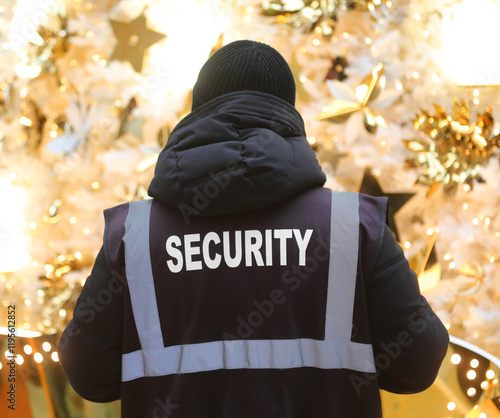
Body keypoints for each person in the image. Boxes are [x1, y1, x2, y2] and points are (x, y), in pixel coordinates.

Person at [58, 40, 449, 417]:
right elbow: (415, 365)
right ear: (289, 115)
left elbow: (91, 375)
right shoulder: (353, 226)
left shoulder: (135, 236)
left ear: (197, 109)